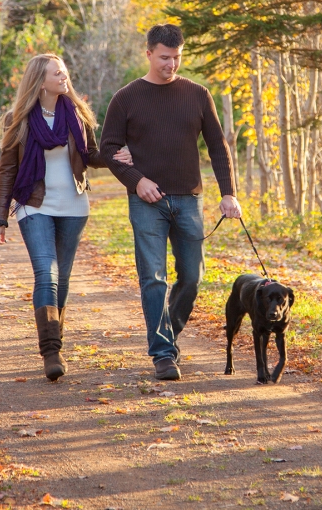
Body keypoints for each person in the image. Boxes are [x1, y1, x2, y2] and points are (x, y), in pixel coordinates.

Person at [100, 24, 241, 381]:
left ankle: (168, 335)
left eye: (177, 57)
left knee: (192, 276)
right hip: (146, 202)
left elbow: (217, 146)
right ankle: (163, 354)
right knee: (153, 279)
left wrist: (229, 193)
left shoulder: (197, 94)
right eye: (164, 57)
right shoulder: (126, 97)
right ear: (148, 53)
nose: (171, 64)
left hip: (189, 200)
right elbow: (108, 151)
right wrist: (137, 181)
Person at [0, 53, 132, 381]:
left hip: (74, 206)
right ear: (40, 80)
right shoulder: (19, 118)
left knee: (62, 278)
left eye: (65, 72)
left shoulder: (77, 112)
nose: (64, 77)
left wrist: (115, 158)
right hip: (34, 204)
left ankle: (57, 342)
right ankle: (50, 350)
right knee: (47, 273)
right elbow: (8, 169)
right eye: (58, 73)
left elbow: (91, 156)